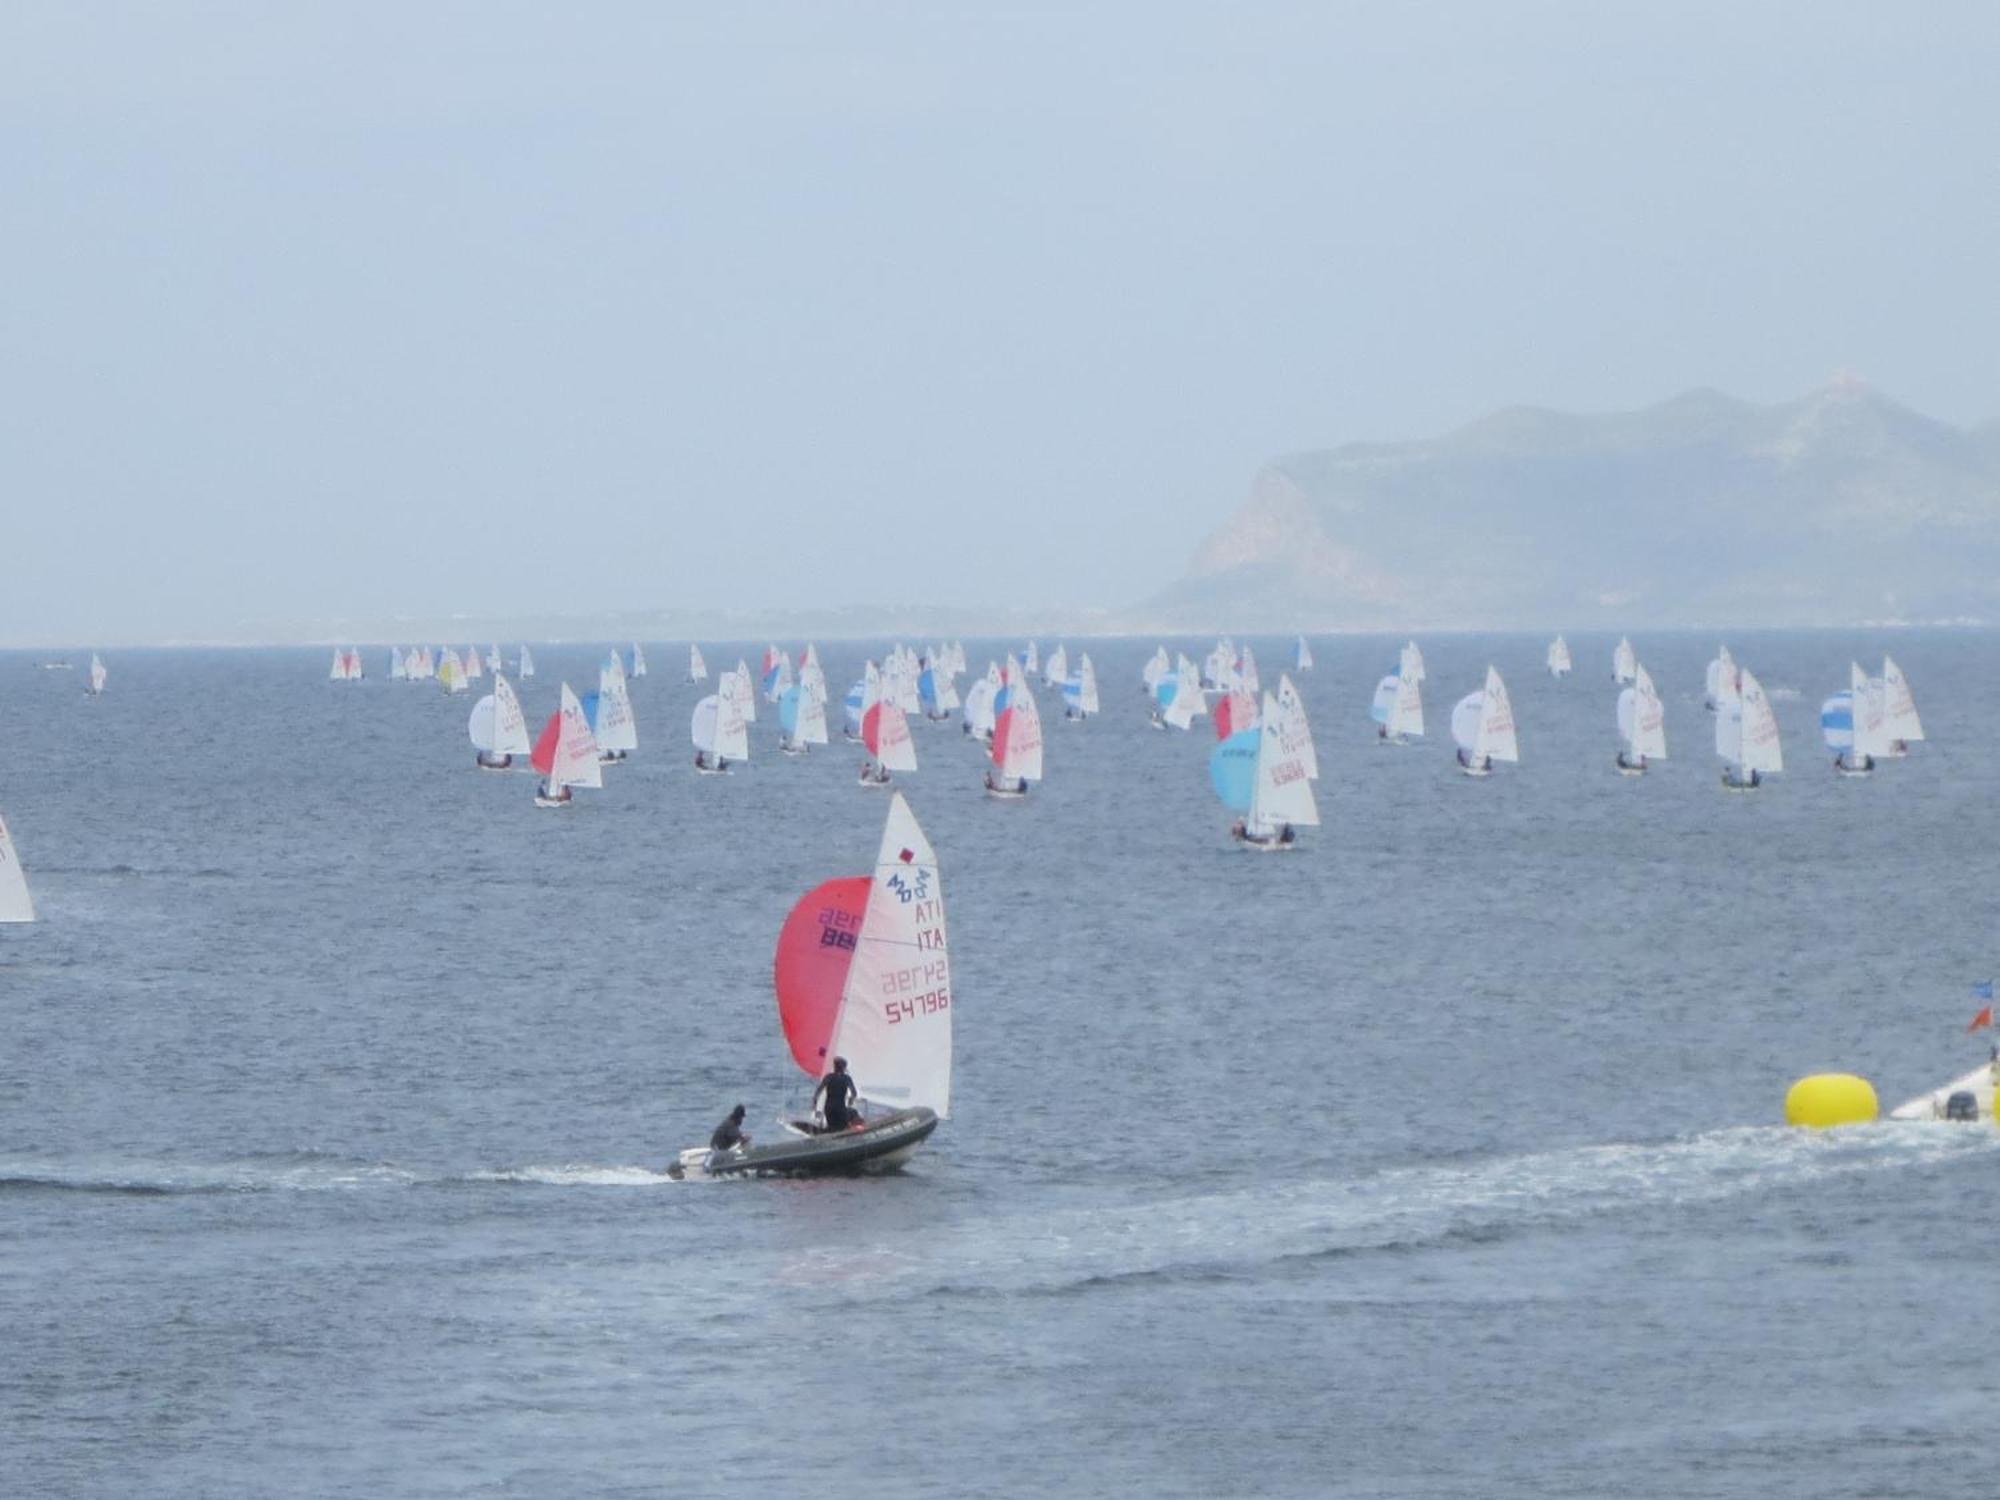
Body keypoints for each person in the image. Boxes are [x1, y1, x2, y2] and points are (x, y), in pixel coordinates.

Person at [813, 1057, 860, 1132]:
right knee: (853, 1112)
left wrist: (815, 1103)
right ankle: (854, 1130)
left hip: (829, 1110)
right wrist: (850, 1101)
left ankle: (830, 1129)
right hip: (840, 1110)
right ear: (844, 1067)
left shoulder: (828, 1077)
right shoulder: (847, 1078)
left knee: (833, 1125)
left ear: (835, 1066)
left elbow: (818, 1092)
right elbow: (854, 1093)